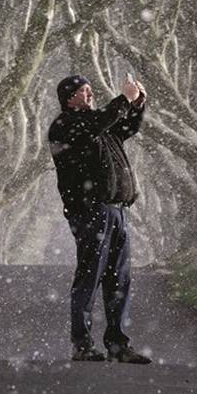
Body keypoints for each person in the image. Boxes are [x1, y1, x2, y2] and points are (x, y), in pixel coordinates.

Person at [48, 74, 152, 364]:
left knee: (119, 281)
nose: (90, 94)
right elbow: (98, 123)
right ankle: (82, 345)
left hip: (118, 211)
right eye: (84, 91)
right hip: (92, 211)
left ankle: (118, 345)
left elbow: (126, 126)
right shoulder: (67, 125)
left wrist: (137, 105)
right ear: (69, 98)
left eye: (90, 90)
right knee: (90, 278)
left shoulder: (99, 126)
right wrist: (124, 100)